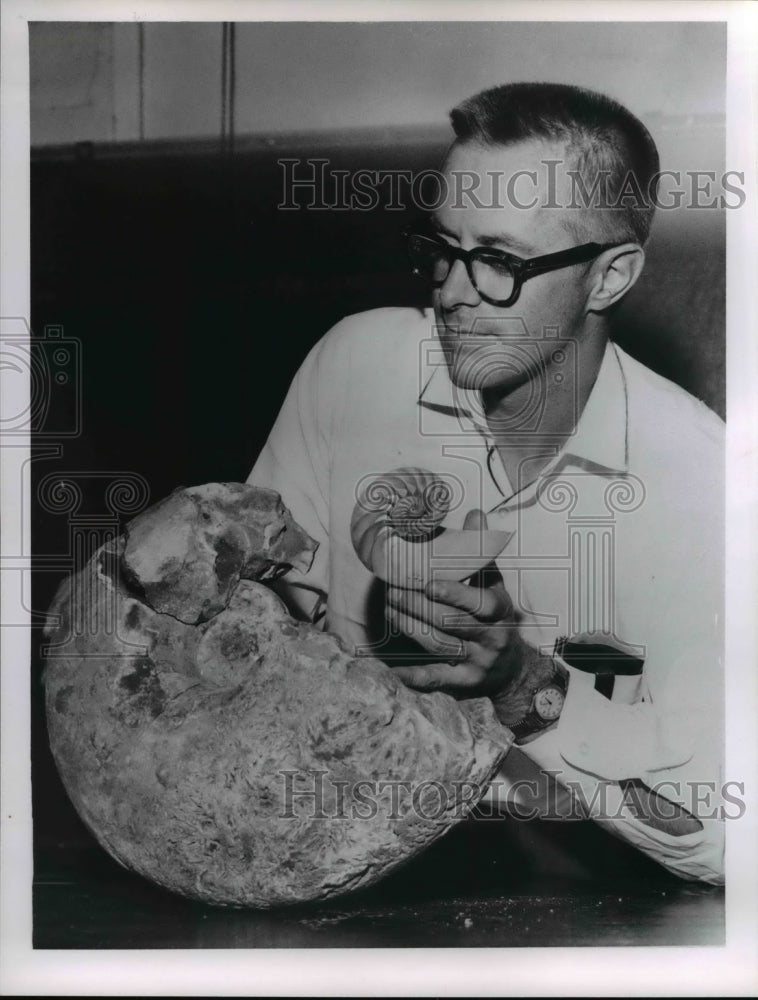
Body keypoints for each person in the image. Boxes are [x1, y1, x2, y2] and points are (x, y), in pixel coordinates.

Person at [248, 83, 724, 884]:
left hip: (586, 904)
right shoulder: (354, 366)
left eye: (500, 261)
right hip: (326, 857)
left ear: (610, 278)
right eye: (443, 247)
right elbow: (259, 623)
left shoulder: (706, 485)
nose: (453, 291)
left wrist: (518, 682)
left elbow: (725, 835)